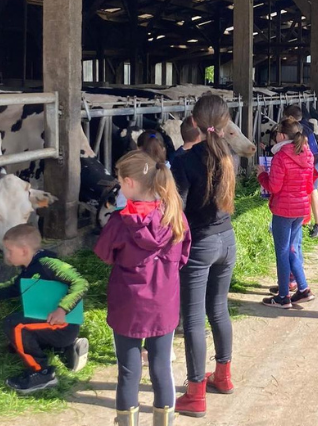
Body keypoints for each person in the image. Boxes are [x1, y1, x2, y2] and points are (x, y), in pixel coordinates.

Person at [94, 150, 191, 426]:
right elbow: (183, 257)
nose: (118, 188)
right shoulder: (175, 217)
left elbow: (103, 254)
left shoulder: (119, 222)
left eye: (120, 182)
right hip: (163, 304)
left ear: (131, 184)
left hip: (128, 306)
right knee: (161, 368)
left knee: (128, 371)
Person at [0, 224, 89, 394]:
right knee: (16, 342)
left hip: (62, 324)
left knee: (15, 325)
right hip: (52, 325)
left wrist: (62, 309)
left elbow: (81, 283)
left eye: (8, 250)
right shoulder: (28, 270)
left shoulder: (48, 264)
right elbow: (2, 290)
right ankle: (67, 347)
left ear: (23, 250)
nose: (6, 255)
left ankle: (42, 373)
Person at [172, 95, 237, 418]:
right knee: (219, 309)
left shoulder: (185, 161)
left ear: (194, 122)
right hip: (227, 239)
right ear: (225, 124)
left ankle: (196, 393)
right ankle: (223, 377)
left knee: (194, 317)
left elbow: (178, 208)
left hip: (199, 245)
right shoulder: (230, 157)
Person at [256, 118, 318, 309]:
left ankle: (283, 296)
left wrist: (261, 175)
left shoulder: (280, 157)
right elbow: (310, 182)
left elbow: (274, 186)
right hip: (301, 207)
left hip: (283, 208)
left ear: (282, 135)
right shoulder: (307, 153)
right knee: (292, 249)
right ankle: (303, 289)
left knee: (282, 252)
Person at [282, 105, 318, 238]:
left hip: (312, 163)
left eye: (286, 118)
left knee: (312, 192)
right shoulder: (307, 126)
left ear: (290, 117)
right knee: (309, 191)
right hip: (315, 160)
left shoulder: (298, 130)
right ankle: (304, 221)